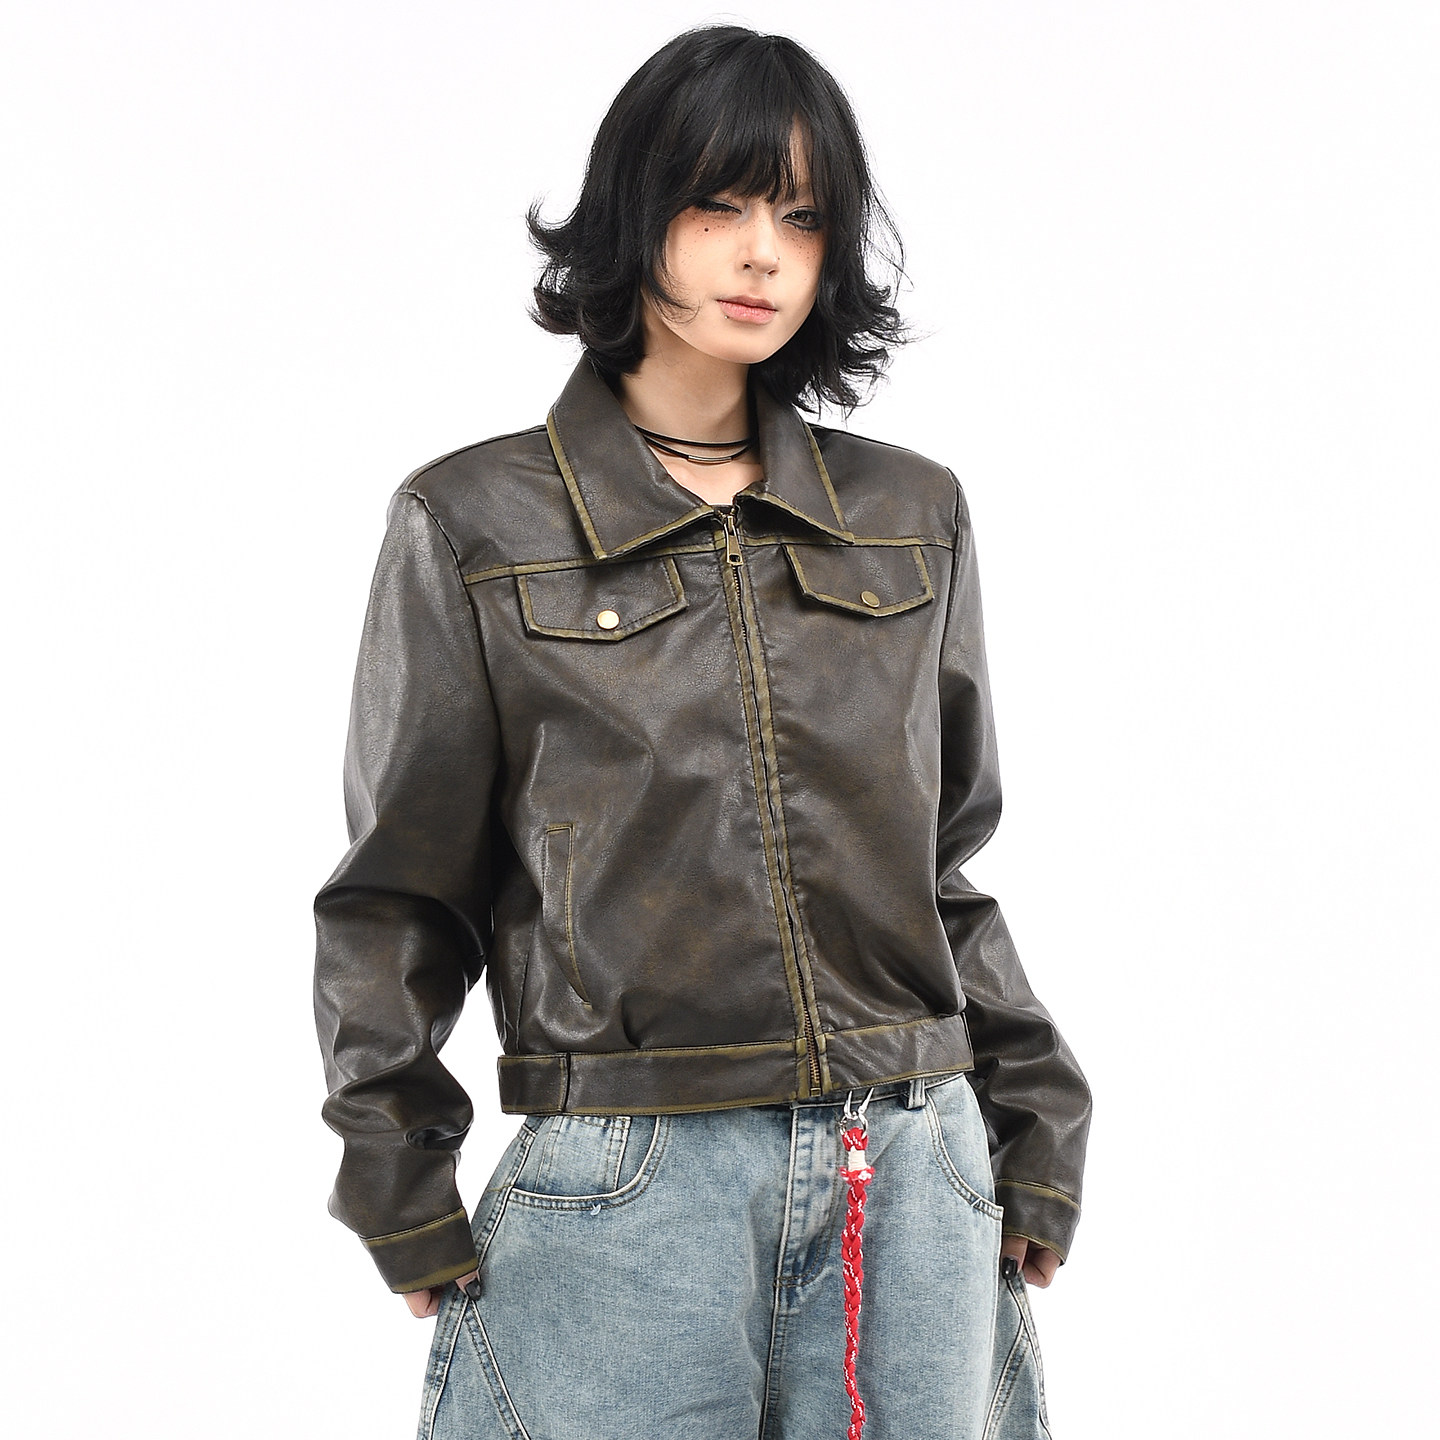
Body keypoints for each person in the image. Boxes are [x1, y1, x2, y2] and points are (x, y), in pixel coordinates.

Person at [313, 23, 1092, 1440]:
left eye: (801, 216)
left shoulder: (910, 514)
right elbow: (398, 892)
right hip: (630, 1186)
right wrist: (394, 1169)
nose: (761, 254)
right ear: (634, 216)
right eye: (718, 204)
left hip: (911, 1172)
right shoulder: (474, 523)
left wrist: (1036, 1122)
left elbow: (945, 868)